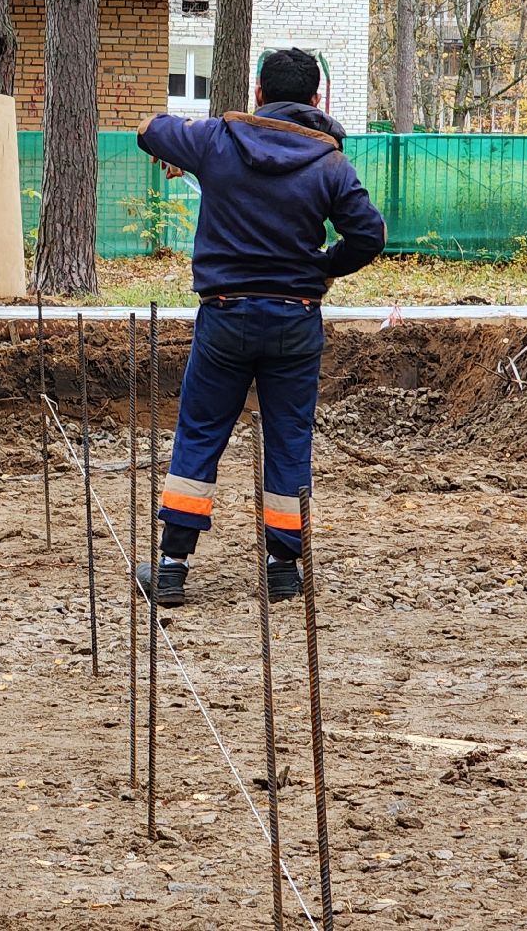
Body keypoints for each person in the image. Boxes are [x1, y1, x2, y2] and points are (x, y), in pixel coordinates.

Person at [133, 47, 386, 608]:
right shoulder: (330, 164)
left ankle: (172, 568)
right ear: (317, 100)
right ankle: (282, 569)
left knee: (201, 433)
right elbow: (369, 236)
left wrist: (192, 152)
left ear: (257, 93)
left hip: (225, 314)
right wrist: (322, 266)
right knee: (289, 438)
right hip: (295, 319)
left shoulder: (218, 140)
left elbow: (150, 128)